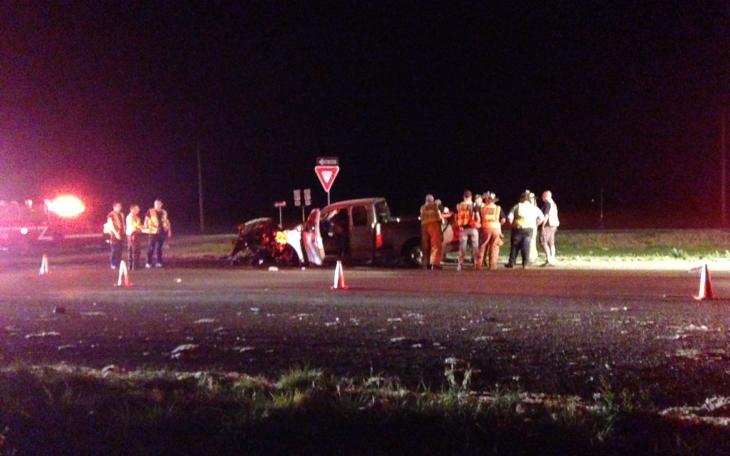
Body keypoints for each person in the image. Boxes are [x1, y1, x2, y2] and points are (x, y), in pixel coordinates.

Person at [506, 190, 544, 268]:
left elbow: (510, 217)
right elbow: (541, 217)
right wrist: (536, 224)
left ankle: (512, 262)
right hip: (529, 229)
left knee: (515, 246)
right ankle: (525, 264)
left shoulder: (517, 206)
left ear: (521, 198)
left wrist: (512, 224)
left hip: (518, 228)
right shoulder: (534, 208)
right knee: (526, 246)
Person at [477, 192, 506, 271]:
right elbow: (503, 220)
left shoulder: (482, 209)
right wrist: (499, 224)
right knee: (494, 247)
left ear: (486, 200)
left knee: (482, 246)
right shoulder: (498, 208)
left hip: (485, 228)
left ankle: (479, 265)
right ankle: (492, 266)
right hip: (496, 229)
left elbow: (479, 219)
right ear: (494, 201)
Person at [456, 190, 480, 271]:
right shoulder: (473, 205)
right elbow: (478, 217)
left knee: (462, 248)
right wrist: (478, 224)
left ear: (463, 197)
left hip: (463, 228)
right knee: (475, 247)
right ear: (471, 197)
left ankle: (460, 265)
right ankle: (476, 264)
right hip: (472, 227)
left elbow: (457, 217)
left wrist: (460, 226)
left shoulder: (459, 205)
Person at [144, 199, 172, 268]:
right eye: (156, 204)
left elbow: (166, 221)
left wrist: (168, 230)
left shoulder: (164, 212)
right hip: (153, 232)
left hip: (162, 231)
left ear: (161, 204)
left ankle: (159, 262)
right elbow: (146, 220)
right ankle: (148, 262)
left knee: (159, 248)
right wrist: (146, 228)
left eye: (159, 204)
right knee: (151, 247)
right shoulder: (150, 211)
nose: (157, 205)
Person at [419, 194, 443, 270]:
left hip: (424, 226)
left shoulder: (422, 207)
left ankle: (425, 263)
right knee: (435, 245)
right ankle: (435, 264)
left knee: (425, 246)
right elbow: (439, 216)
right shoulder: (434, 206)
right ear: (432, 200)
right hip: (433, 225)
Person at [540, 190, 560, 266]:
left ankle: (549, 259)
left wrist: (542, 225)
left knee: (543, 242)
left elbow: (546, 215)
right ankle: (552, 259)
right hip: (554, 225)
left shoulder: (547, 204)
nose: (542, 198)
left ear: (546, 196)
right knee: (551, 243)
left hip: (548, 225)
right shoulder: (553, 204)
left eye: (543, 196)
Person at [104, 202, 126, 269]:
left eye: (120, 206)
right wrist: (116, 233)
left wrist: (124, 231)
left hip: (121, 233)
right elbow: (111, 225)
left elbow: (123, 223)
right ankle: (113, 263)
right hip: (114, 234)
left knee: (120, 249)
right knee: (114, 249)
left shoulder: (121, 214)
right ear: (114, 207)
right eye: (118, 206)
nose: (119, 207)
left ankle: (118, 263)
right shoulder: (111, 215)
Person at [125, 205, 143, 270]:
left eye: (138, 209)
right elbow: (135, 227)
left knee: (133, 250)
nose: (138, 210)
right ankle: (134, 266)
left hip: (132, 234)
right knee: (135, 250)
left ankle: (132, 265)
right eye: (137, 209)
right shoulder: (131, 217)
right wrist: (142, 228)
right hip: (133, 234)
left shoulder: (135, 217)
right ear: (132, 209)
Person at [528, 192, 539, 263]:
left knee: (532, 241)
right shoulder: (528, 207)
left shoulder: (535, 207)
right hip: (529, 226)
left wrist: (536, 224)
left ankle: (532, 256)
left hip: (532, 226)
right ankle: (530, 256)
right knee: (529, 241)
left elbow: (540, 217)